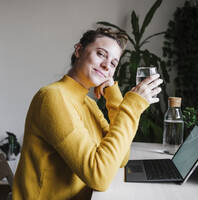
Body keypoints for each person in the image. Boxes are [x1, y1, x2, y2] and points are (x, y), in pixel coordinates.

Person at [12, 27, 163, 200]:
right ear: (79, 50)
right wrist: (132, 107)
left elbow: (120, 159)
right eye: (101, 54)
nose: (107, 65)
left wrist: (113, 97)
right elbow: (99, 177)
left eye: (113, 63)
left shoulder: (89, 104)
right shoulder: (53, 97)